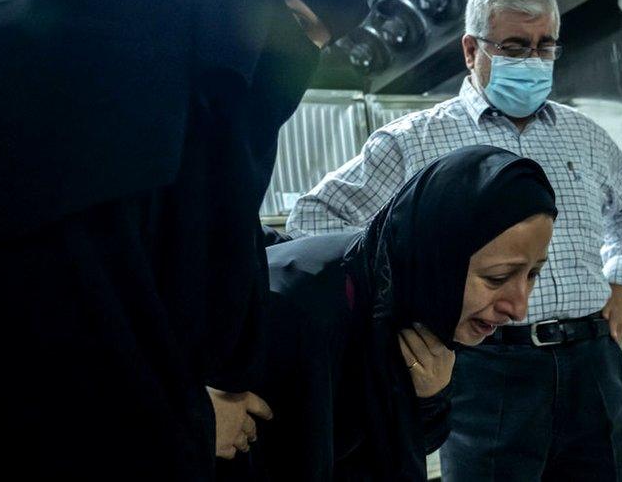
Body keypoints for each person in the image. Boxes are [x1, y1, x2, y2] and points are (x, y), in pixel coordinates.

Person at [0, 0, 367, 479]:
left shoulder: (132, 79)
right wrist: (191, 422)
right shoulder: (62, 84)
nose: (296, 66)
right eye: (297, 23)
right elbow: (35, 367)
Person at [286, 0, 622, 481]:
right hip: (484, 369)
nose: (533, 60)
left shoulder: (585, 136)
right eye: (514, 46)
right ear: (470, 50)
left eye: (545, 46)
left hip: (590, 361)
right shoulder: (413, 142)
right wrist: (399, 315)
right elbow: (315, 221)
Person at [219, 145, 557, 481]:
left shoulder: (411, 305)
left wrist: (430, 398)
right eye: (496, 278)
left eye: (533, 274)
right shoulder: (299, 313)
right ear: (436, 258)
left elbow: (398, 447)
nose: (518, 308)